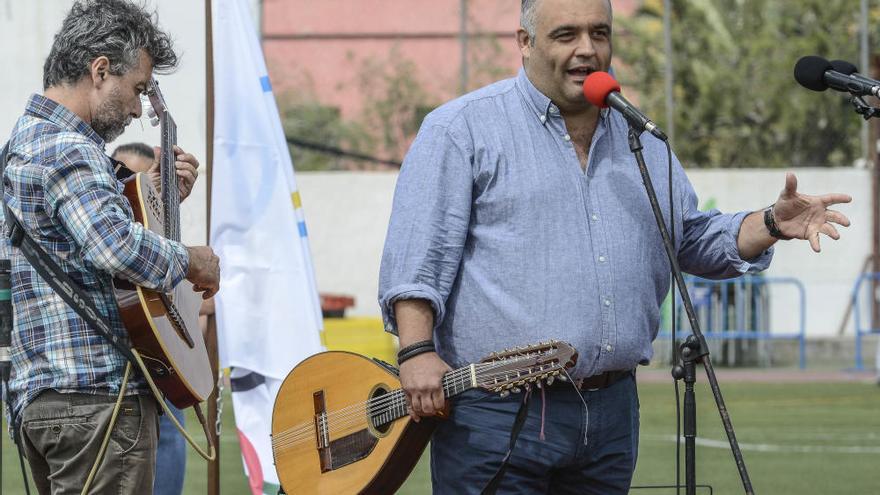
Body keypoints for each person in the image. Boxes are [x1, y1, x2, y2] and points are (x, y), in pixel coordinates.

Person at [378, 0, 852, 493]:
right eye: (566, 35)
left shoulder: (641, 139)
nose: (587, 49)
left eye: (599, 33)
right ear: (524, 42)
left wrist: (772, 222)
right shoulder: (462, 130)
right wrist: (416, 351)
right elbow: (419, 256)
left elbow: (687, 237)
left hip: (610, 415)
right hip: (497, 413)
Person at [2, 1, 220, 494]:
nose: (138, 110)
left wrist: (153, 199)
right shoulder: (67, 147)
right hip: (94, 396)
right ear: (100, 70)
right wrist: (192, 261)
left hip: (48, 396)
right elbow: (115, 249)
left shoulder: (25, 140)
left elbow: (78, 249)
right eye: (138, 89)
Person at [110, 143, 188, 495]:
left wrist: (165, 205)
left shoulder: (151, 226)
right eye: (126, 180)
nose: (134, 191)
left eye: (141, 184)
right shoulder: (98, 211)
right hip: (112, 367)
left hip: (159, 351)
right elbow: (120, 249)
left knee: (171, 432)